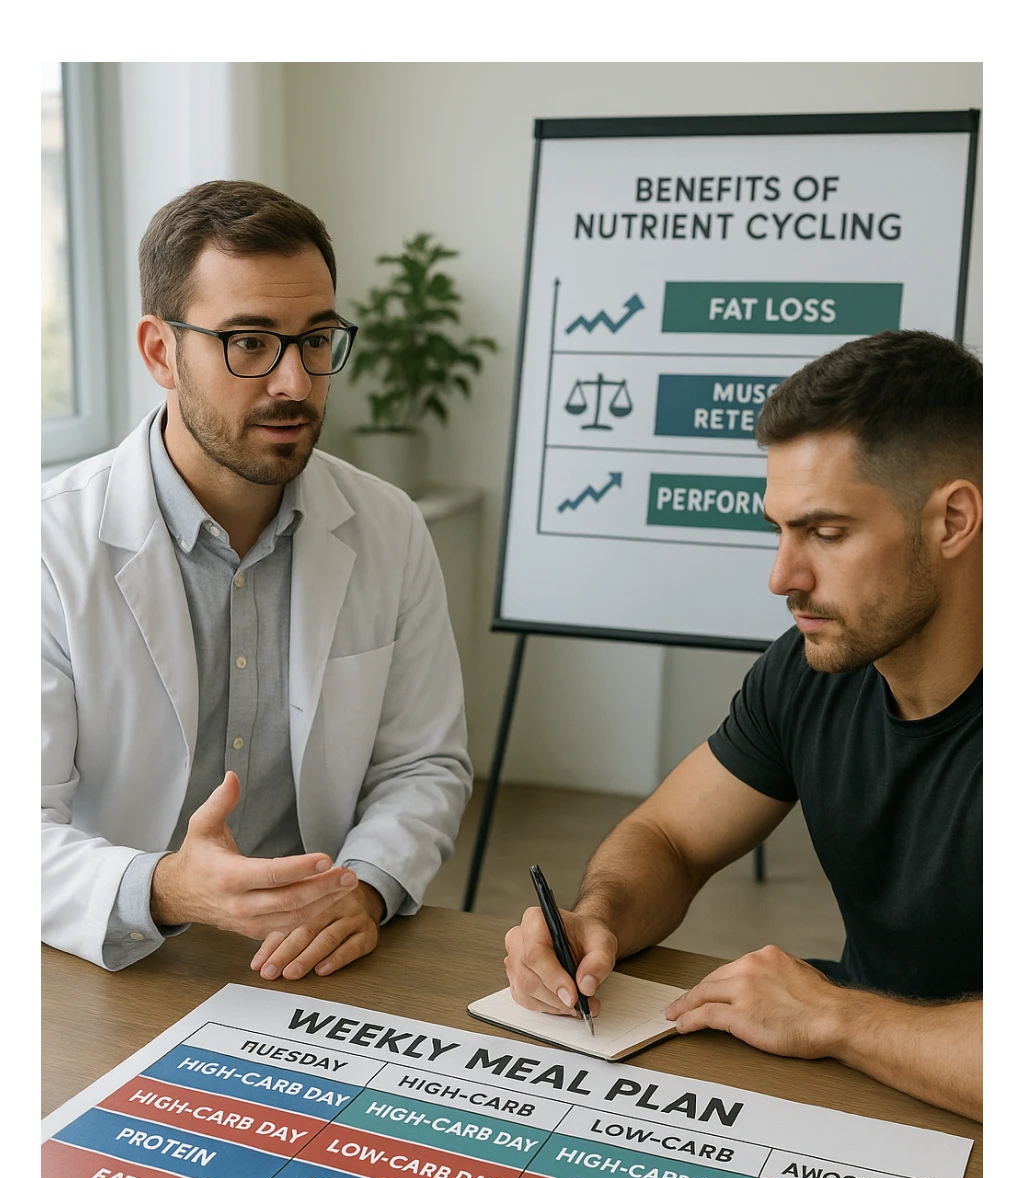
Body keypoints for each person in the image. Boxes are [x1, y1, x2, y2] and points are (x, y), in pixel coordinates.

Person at [505, 330, 981, 1120]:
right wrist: (600, 919)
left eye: (827, 534)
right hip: (871, 1089)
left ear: (953, 520)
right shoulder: (810, 666)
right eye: (780, 530)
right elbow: (670, 838)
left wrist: (835, 1014)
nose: (782, 577)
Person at [42, 180, 472, 979]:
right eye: (248, 342)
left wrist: (368, 886)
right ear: (160, 352)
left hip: (324, 958)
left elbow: (423, 764)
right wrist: (169, 888)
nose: (295, 384)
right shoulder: (44, 545)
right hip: (116, 957)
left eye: (316, 339)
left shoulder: (388, 526)